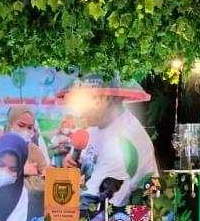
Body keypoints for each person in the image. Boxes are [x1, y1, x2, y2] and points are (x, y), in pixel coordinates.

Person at [62, 75, 157, 207]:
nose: (81, 109)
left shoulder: (123, 140)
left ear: (109, 98)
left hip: (121, 215)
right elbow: (86, 164)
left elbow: (91, 202)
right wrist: (75, 165)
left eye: (88, 100)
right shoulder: (96, 127)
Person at [0, 106, 48, 191]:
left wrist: (41, 175)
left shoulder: (33, 150)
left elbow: (45, 174)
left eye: (30, 128)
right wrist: (22, 171)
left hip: (29, 197)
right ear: (10, 124)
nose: (25, 131)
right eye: (21, 125)